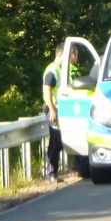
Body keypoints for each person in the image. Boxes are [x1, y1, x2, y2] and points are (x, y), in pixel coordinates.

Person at [42, 45, 66, 181]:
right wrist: (52, 110)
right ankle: (50, 173)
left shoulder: (59, 70)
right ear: (60, 55)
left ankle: (54, 173)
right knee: (55, 142)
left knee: (59, 142)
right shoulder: (52, 70)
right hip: (53, 110)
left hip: (58, 109)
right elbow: (47, 91)